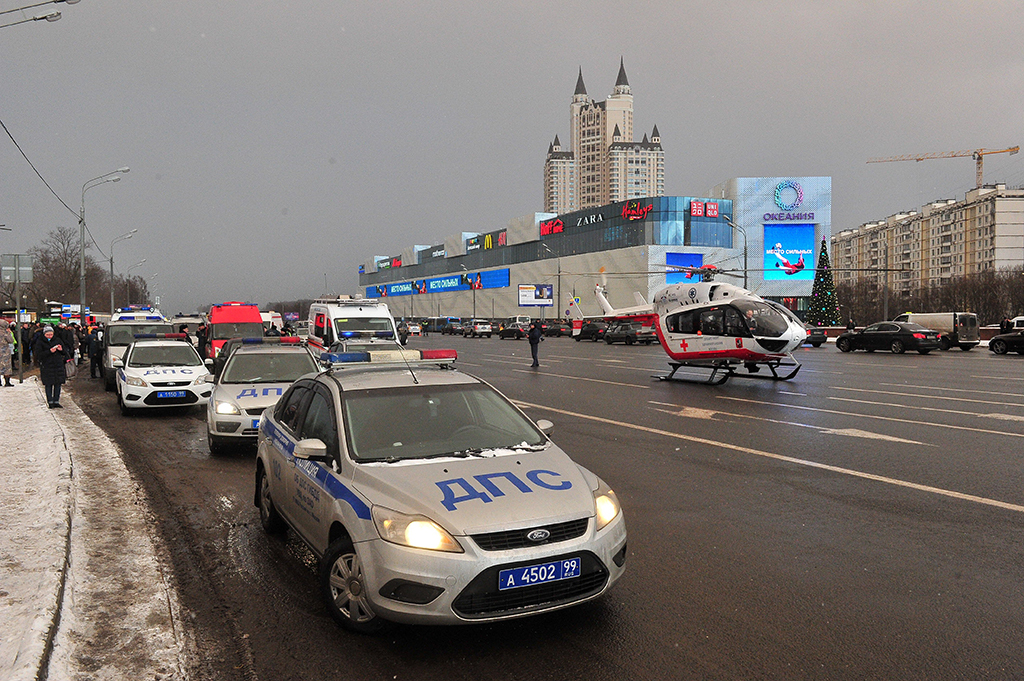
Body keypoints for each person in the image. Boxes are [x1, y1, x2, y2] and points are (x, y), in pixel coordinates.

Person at [34, 325, 69, 408]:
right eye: (48, 335)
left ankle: (56, 401)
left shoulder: (57, 340)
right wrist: (49, 351)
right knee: (48, 384)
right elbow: (39, 355)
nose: (49, 336)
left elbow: (65, 352)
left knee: (58, 384)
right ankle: (50, 401)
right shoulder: (40, 342)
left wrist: (61, 350)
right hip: (47, 366)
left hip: (58, 365)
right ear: (44, 334)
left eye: (51, 334)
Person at [0, 320, 14, 387]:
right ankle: (7, 382)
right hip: (4, 352)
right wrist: (9, 333)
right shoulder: (5, 333)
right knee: (6, 367)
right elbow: (11, 341)